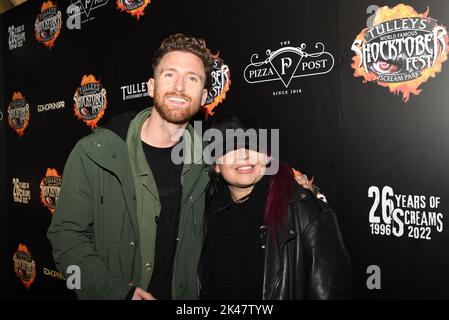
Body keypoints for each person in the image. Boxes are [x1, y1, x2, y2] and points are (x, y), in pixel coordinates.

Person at [48, 34, 313, 300]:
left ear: (205, 96)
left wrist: (286, 178)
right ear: (151, 86)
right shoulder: (96, 153)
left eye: (192, 78)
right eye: (169, 75)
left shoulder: (209, 156)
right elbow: (66, 238)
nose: (179, 87)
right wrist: (117, 293)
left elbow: (247, 169)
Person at [199, 114, 350, 299]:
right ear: (215, 165)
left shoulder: (304, 211)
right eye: (229, 148)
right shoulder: (205, 213)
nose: (244, 155)